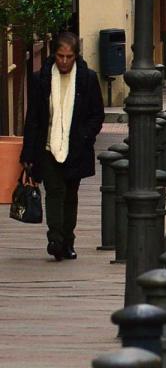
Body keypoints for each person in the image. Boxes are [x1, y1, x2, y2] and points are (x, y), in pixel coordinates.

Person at [20, 32, 104, 262]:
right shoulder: (40, 79)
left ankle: (68, 240)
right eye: (60, 56)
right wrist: (27, 153)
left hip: (76, 148)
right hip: (47, 147)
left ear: (76, 56)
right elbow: (34, 119)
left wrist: (84, 136)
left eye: (69, 56)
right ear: (53, 55)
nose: (64, 61)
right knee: (55, 192)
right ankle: (55, 239)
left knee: (70, 195)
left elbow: (97, 115)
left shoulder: (87, 78)